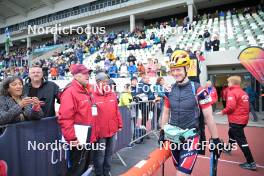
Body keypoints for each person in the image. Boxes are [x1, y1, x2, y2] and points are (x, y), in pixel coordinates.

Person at [159, 50, 222, 176]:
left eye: (179, 69)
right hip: (173, 138)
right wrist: (162, 132)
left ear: (187, 68)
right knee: (181, 170)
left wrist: (215, 139)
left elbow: (209, 117)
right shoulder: (169, 90)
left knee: (181, 174)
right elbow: (165, 113)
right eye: (173, 70)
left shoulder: (198, 89)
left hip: (191, 137)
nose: (175, 73)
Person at [58, 64, 97, 175]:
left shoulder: (86, 90)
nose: (88, 76)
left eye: (88, 73)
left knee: (84, 169)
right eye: (84, 73)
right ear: (76, 76)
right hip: (78, 140)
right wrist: (72, 139)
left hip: (87, 138)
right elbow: (65, 118)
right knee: (76, 170)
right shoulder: (70, 92)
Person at [216, 76, 256, 171]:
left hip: (236, 121)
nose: (228, 84)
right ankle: (228, 148)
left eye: (228, 82)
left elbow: (231, 107)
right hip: (242, 120)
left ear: (233, 83)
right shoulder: (243, 92)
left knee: (242, 141)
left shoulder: (232, 92)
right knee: (231, 133)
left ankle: (251, 162)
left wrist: (222, 112)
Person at [93, 72, 123, 176]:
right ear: (97, 82)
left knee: (109, 154)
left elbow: (116, 111)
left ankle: (106, 172)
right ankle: (99, 173)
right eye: (103, 82)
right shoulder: (92, 95)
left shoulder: (112, 94)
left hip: (112, 130)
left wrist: (119, 124)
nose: (106, 84)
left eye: (106, 81)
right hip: (100, 132)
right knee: (100, 156)